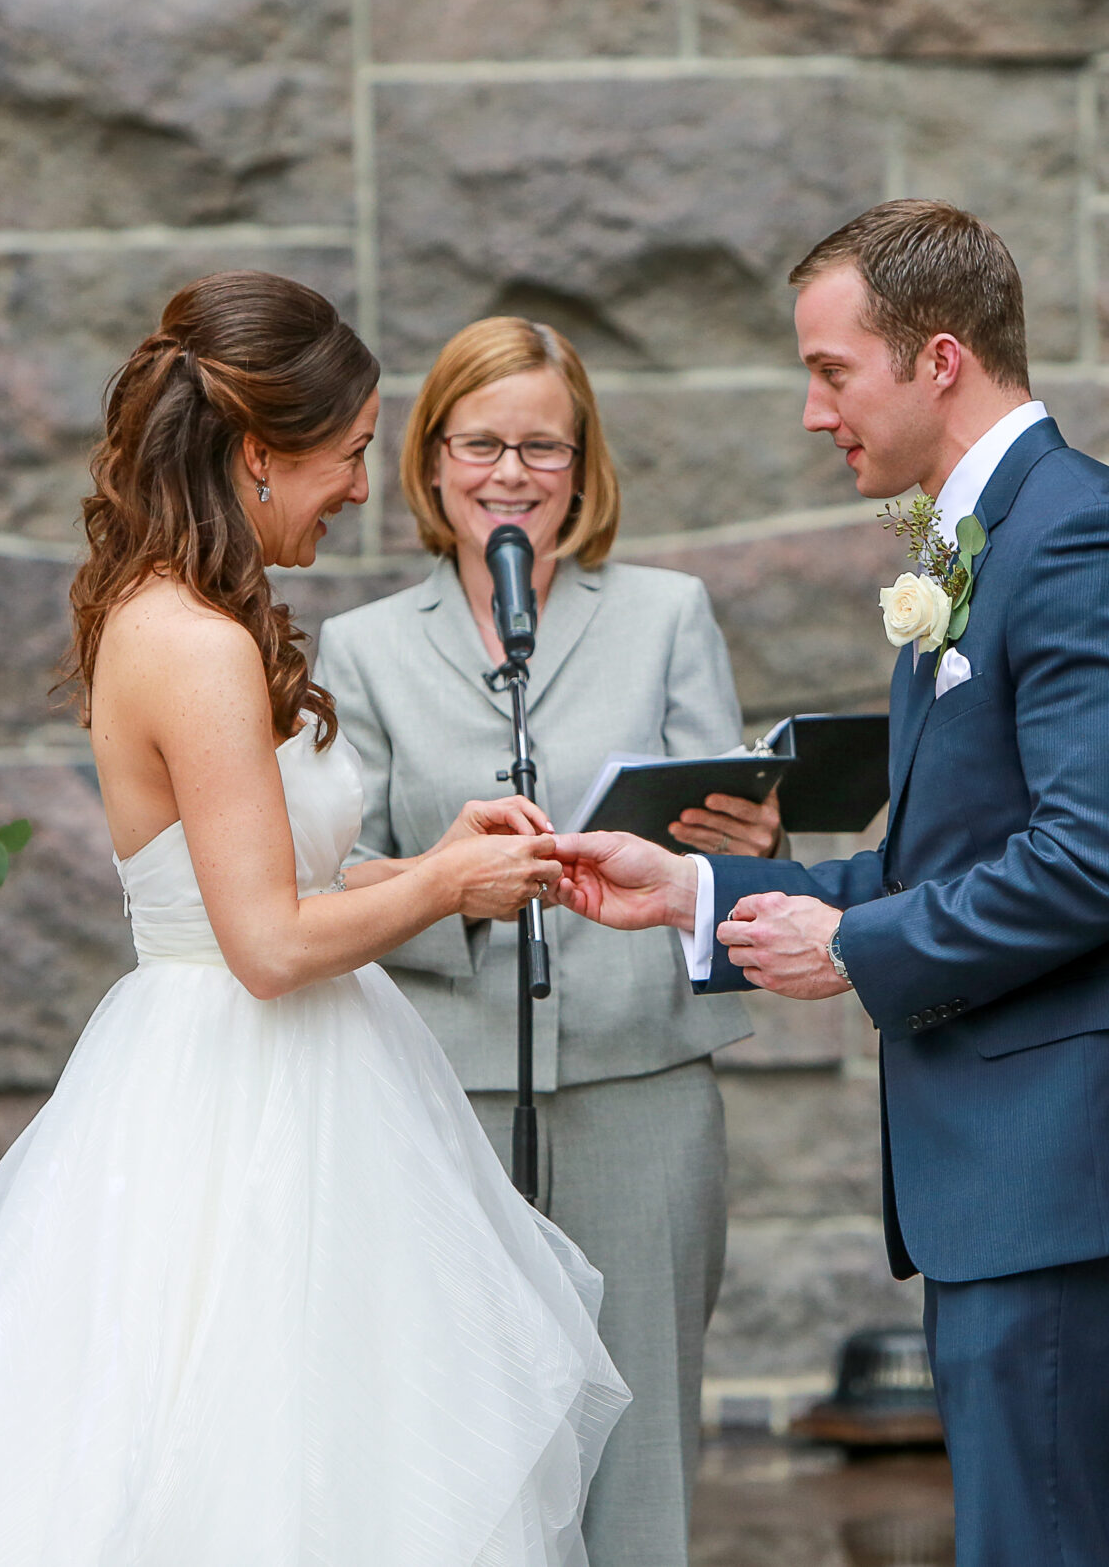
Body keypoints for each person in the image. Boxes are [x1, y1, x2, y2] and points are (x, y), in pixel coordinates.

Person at [0, 272, 626, 1565]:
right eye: (346, 454)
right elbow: (269, 944)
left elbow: (269, 884)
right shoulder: (194, 640)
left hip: (300, 1076)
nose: (360, 486)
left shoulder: (187, 611)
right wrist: (446, 889)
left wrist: (428, 854)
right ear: (255, 453)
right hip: (241, 1099)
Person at [556, 200, 1109, 1567]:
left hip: (1062, 1147)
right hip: (1016, 1155)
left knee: (1055, 1536)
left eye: (832, 371)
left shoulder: (1082, 540)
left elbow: (1093, 860)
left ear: (939, 360)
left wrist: (856, 946)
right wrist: (692, 897)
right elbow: (936, 862)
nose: (808, 411)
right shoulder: (981, 540)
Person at [316, 316, 773, 1567]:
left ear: (585, 467)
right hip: (443, 1087)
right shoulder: (360, 647)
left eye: (543, 446)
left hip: (640, 1080)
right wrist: (449, 885)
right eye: (481, 442)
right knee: (454, 1428)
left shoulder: (667, 615)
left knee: (641, 1432)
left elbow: (719, 861)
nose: (511, 473)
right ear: (430, 458)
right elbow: (330, 874)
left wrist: (746, 841)